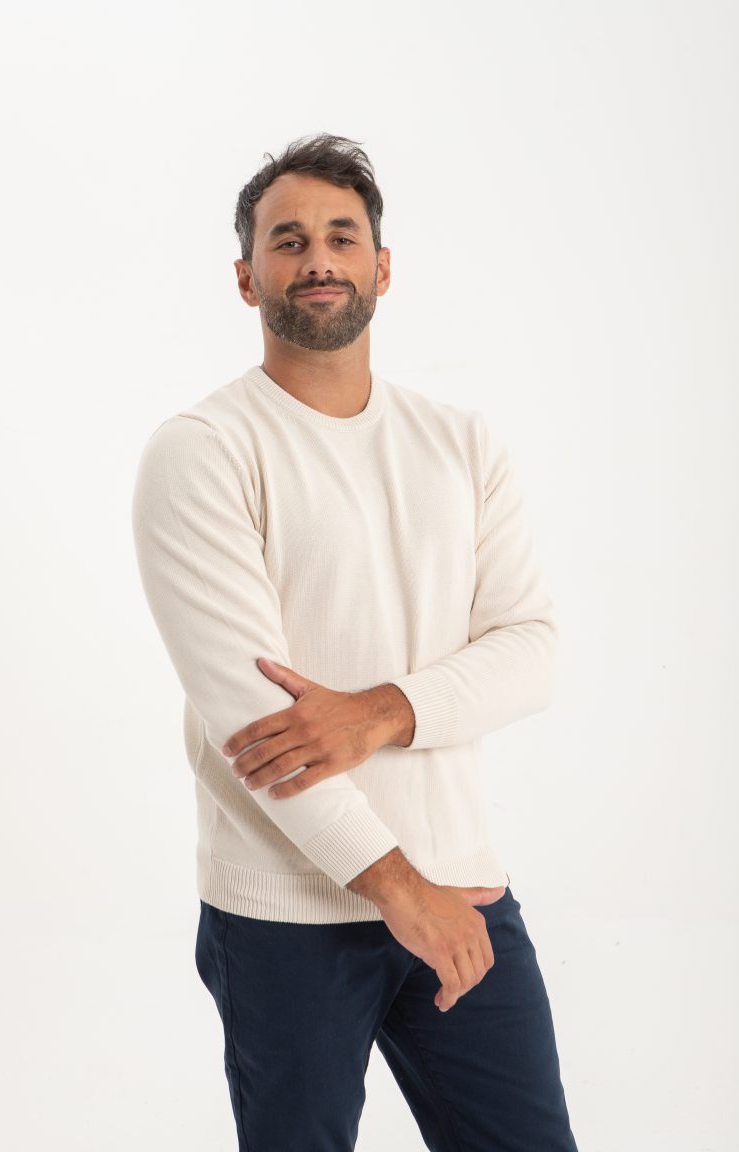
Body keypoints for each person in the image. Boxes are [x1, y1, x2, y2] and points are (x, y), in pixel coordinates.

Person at [131, 132, 579, 1151]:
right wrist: (397, 888)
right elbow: (259, 727)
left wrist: (380, 713)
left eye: (342, 236)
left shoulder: (463, 444)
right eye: (288, 241)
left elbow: (531, 651)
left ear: (383, 267)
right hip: (285, 917)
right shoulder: (204, 452)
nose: (318, 259)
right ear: (246, 278)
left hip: (461, 888)